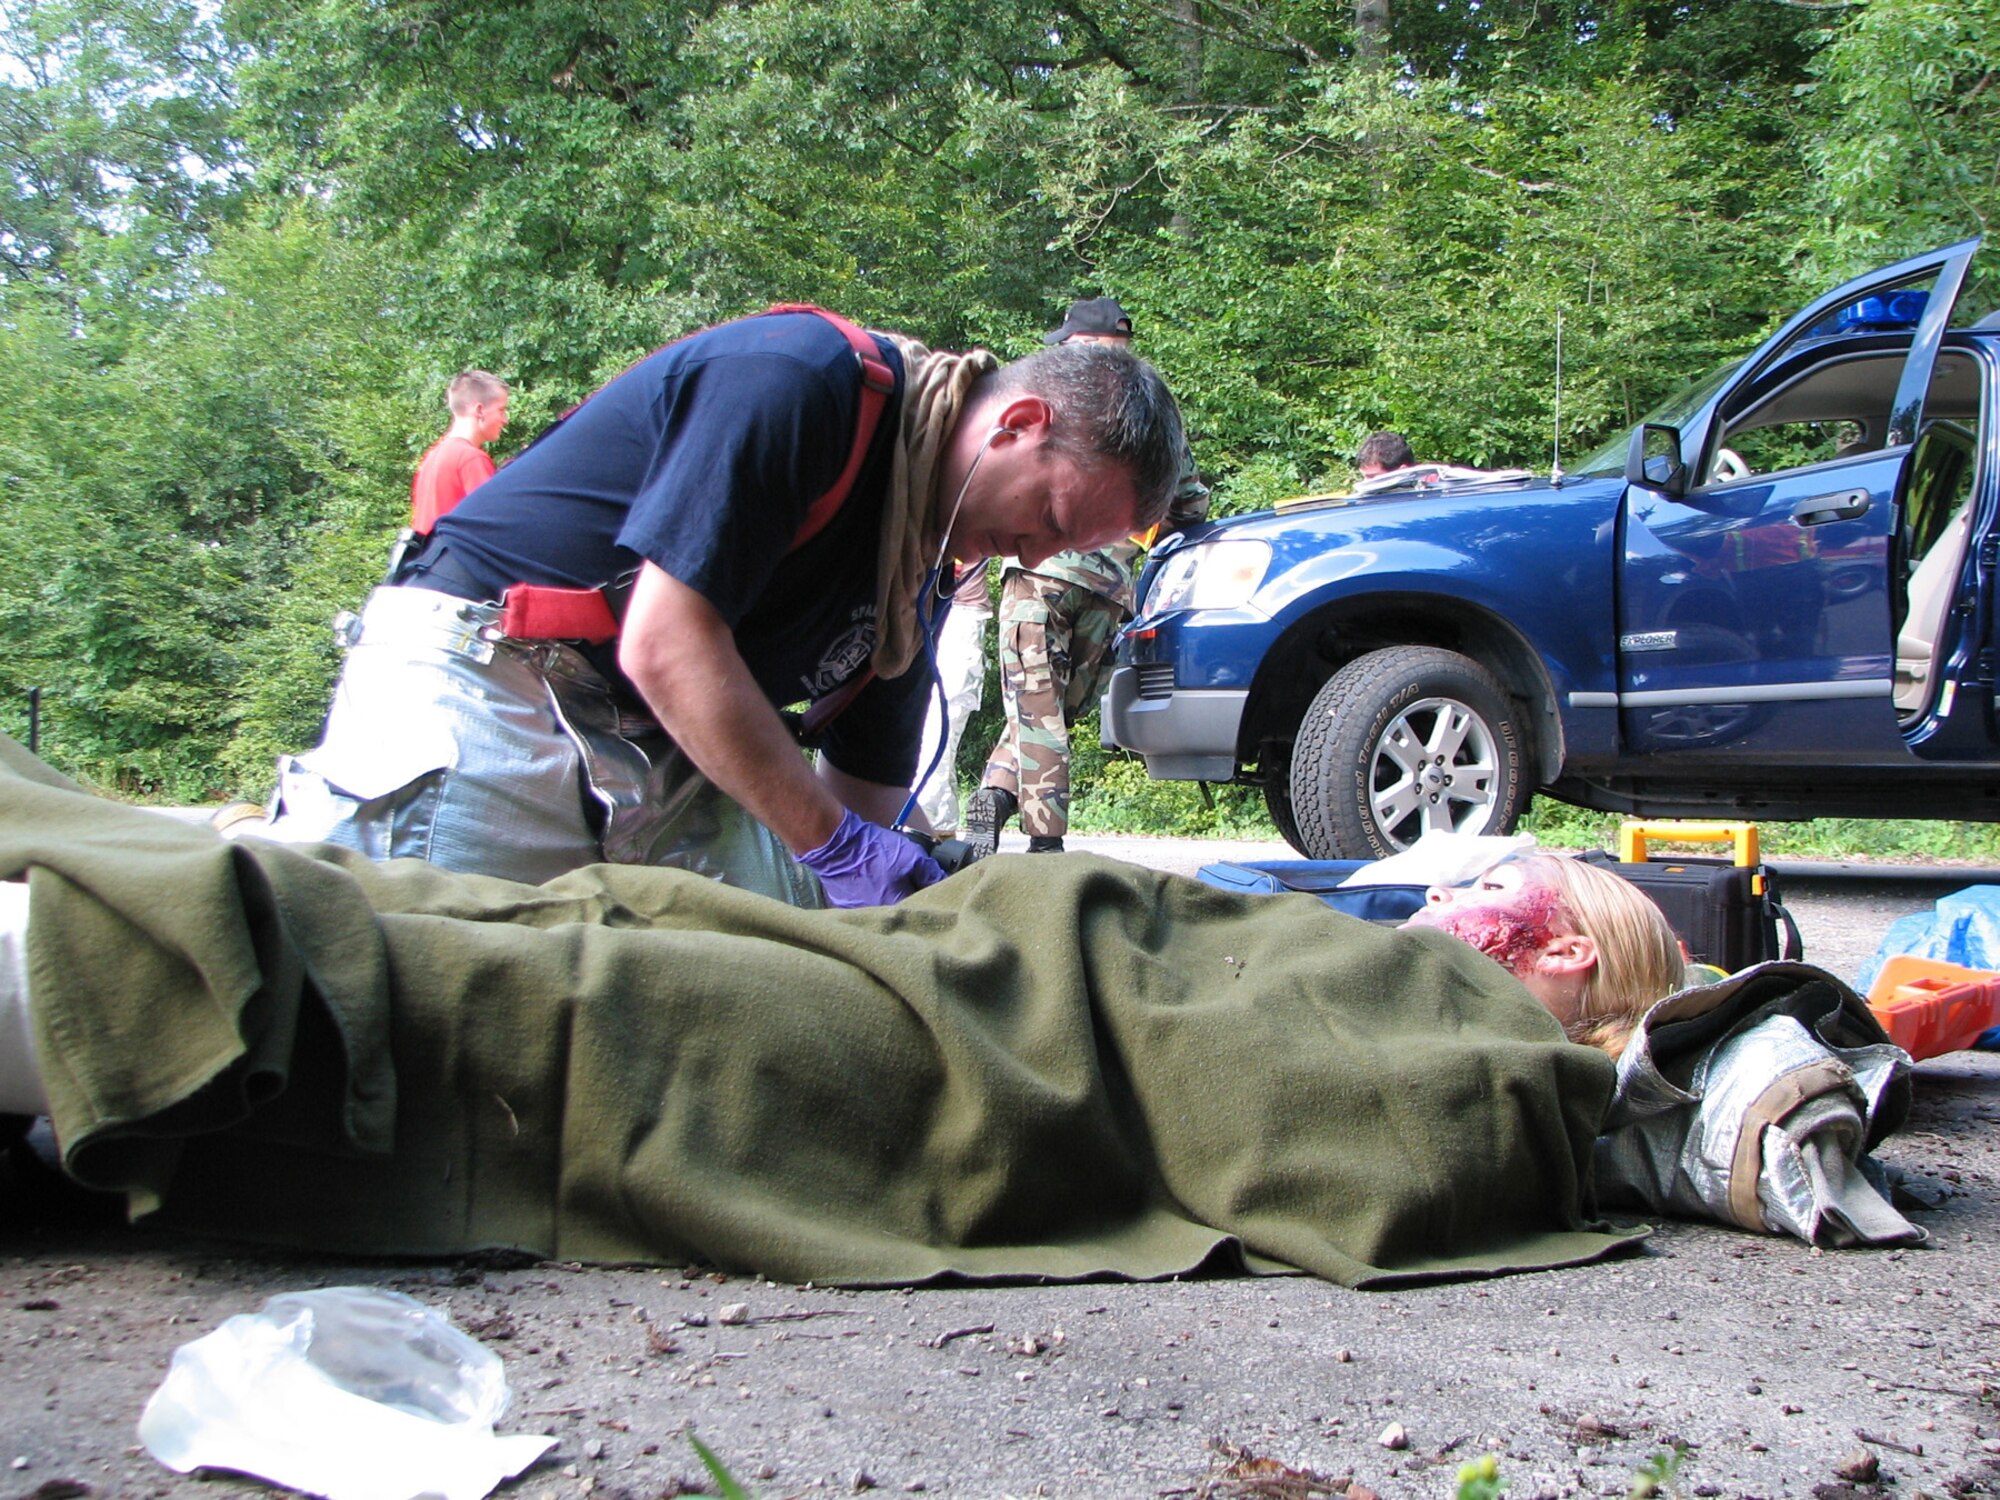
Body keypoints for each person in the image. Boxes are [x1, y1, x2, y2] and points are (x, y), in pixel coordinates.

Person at [0, 739, 1679, 1287]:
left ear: (1570, 970)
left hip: (952, 1062)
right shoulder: (1402, 965)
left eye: (1514, 897)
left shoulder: (1503, 1062)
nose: (1465, 891)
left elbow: (1342, 1135)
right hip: (944, 974)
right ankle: (89, 947)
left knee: (553, 996)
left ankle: (60, 1003)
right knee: (518, 912)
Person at [251, 308, 1187, 909]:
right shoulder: (805, 381)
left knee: (768, 967)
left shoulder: (921, 568)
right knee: (424, 976)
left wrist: (875, 899)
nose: (1033, 557)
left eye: (1063, 551)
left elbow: (859, 795)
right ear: (1019, 427)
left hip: (649, 730)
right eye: (1048, 519)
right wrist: (835, 850)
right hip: (489, 664)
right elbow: (667, 641)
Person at [963, 298, 1209, 858]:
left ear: (1082, 343)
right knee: (1056, 711)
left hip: (1038, 570)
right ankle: (998, 795)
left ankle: (1044, 842)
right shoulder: (1149, 412)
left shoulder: (1051, 394)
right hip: (1108, 587)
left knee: (1035, 703)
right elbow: (1190, 503)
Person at [910, 561, 993, 835]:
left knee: (935, 735)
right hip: (916, 607)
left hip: (961, 614)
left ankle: (935, 837)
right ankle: (931, 834)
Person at [409, 371, 511, 534]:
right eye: (501, 410)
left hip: (430, 556)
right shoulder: (470, 458)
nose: (505, 419)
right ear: (479, 410)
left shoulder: (432, 456)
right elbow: (494, 524)